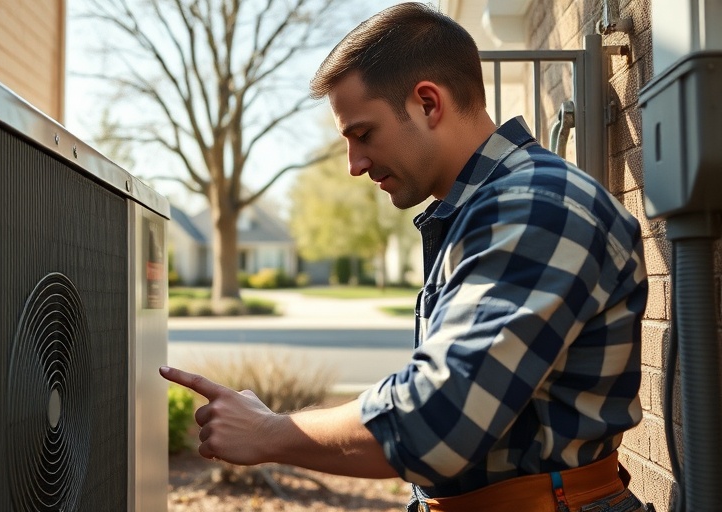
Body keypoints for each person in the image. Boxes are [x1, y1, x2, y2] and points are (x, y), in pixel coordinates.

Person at [161, 3, 649, 511]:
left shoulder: (536, 207)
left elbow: (436, 423)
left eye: (363, 133)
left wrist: (271, 432)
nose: (354, 164)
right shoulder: (489, 208)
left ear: (428, 104)